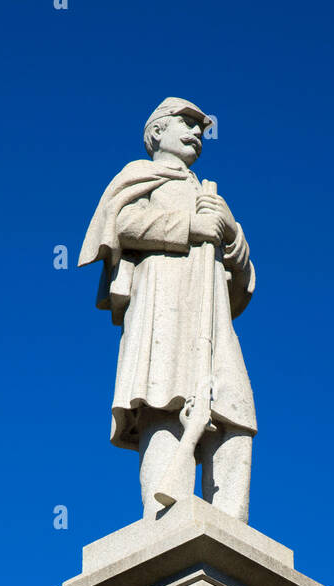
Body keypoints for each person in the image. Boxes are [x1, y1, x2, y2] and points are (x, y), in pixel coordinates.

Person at [79, 98, 257, 521]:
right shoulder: (141, 177)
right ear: (157, 132)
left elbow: (246, 278)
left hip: (212, 316)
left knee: (234, 408)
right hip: (164, 305)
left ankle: (231, 521)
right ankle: (164, 518)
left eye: (201, 127)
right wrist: (188, 227)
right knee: (162, 399)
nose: (197, 133)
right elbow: (120, 225)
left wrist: (229, 233)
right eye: (188, 123)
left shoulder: (211, 195)